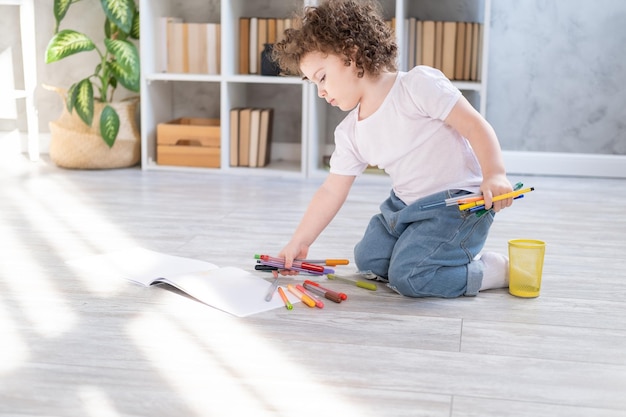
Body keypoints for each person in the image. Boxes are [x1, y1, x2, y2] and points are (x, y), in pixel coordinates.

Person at [271, 0, 514, 298]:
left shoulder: (416, 87)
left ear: (351, 55)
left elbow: (475, 126)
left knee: (409, 277)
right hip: (405, 207)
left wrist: (495, 174)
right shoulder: (350, 133)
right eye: (313, 83)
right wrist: (300, 241)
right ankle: (434, 253)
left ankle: (491, 269)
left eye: (322, 77)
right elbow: (331, 191)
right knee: (369, 259)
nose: (320, 91)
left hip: (458, 206)